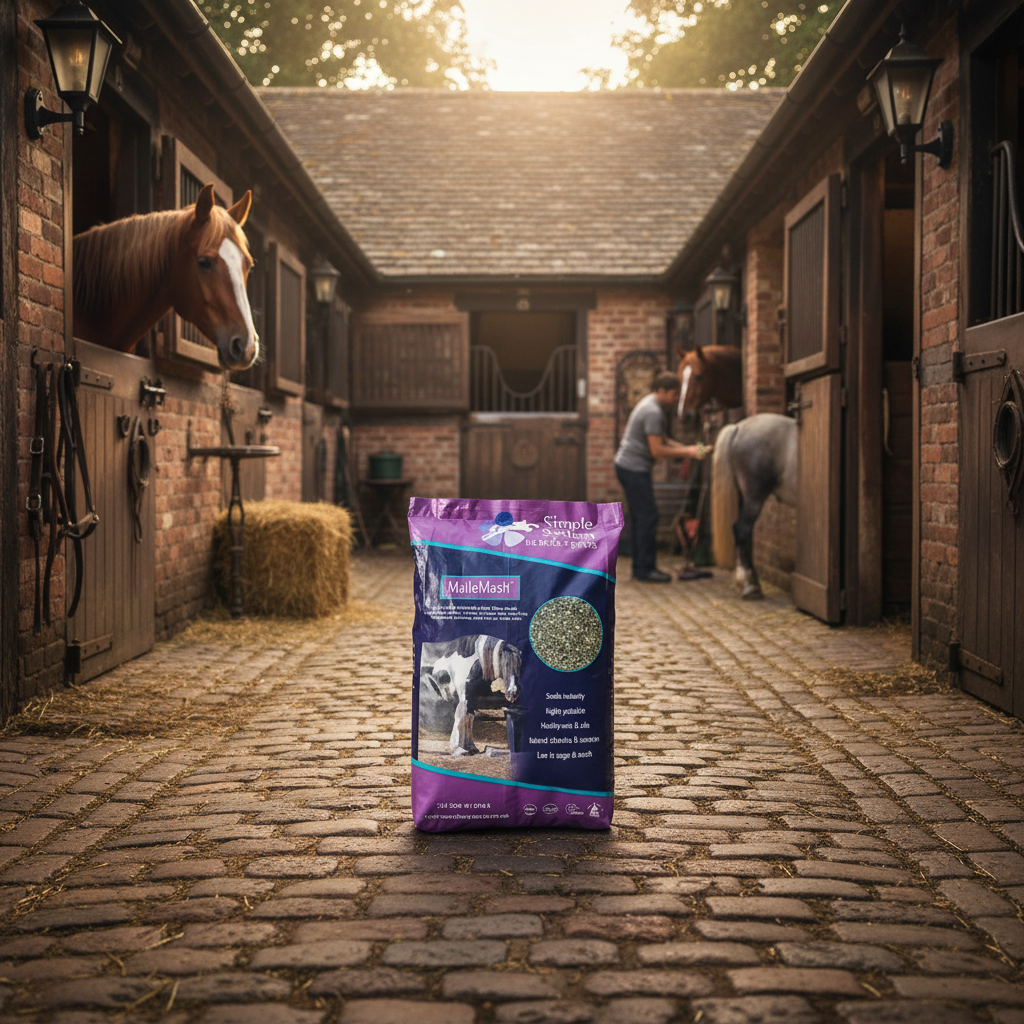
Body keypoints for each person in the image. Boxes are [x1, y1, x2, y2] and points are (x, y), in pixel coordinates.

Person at [614, 373, 710, 582]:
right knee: (648, 517)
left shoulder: (651, 405)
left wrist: (687, 448)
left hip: (630, 467)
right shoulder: (653, 411)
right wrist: (688, 453)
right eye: (674, 394)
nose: (676, 399)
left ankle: (641, 568)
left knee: (642, 517)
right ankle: (645, 569)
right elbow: (657, 450)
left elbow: (662, 438)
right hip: (633, 469)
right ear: (662, 391)